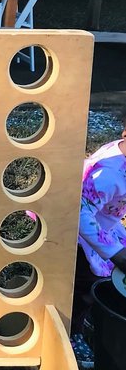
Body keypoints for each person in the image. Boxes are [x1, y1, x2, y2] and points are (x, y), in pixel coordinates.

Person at [70, 111, 126, 365]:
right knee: (84, 286)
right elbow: (79, 213)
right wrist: (114, 252)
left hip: (104, 223)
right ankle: (73, 331)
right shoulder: (108, 175)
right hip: (78, 230)